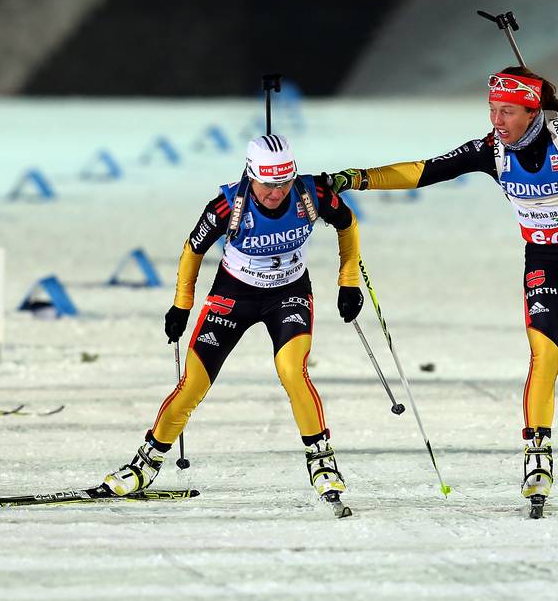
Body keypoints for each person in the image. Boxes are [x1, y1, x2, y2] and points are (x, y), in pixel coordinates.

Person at [326, 67, 558, 516]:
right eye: (492, 110)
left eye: (507, 111)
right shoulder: (491, 150)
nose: (497, 120)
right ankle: (537, 460)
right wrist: (357, 178)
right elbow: (424, 171)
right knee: (544, 359)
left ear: (533, 111)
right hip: (545, 263)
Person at [102, 134, 365, 517]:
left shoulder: (312, 195)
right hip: (233, 295)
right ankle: (145, 465)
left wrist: (348, 281)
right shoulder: (228, 205)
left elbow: (349, 224)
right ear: (250, 175)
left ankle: (321, 461)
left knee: (293, 371)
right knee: (193, 383)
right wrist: (181, 305)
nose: (276, 194)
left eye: (283, 183)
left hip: (287, 293)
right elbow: (193, 249)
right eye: (267, 185)